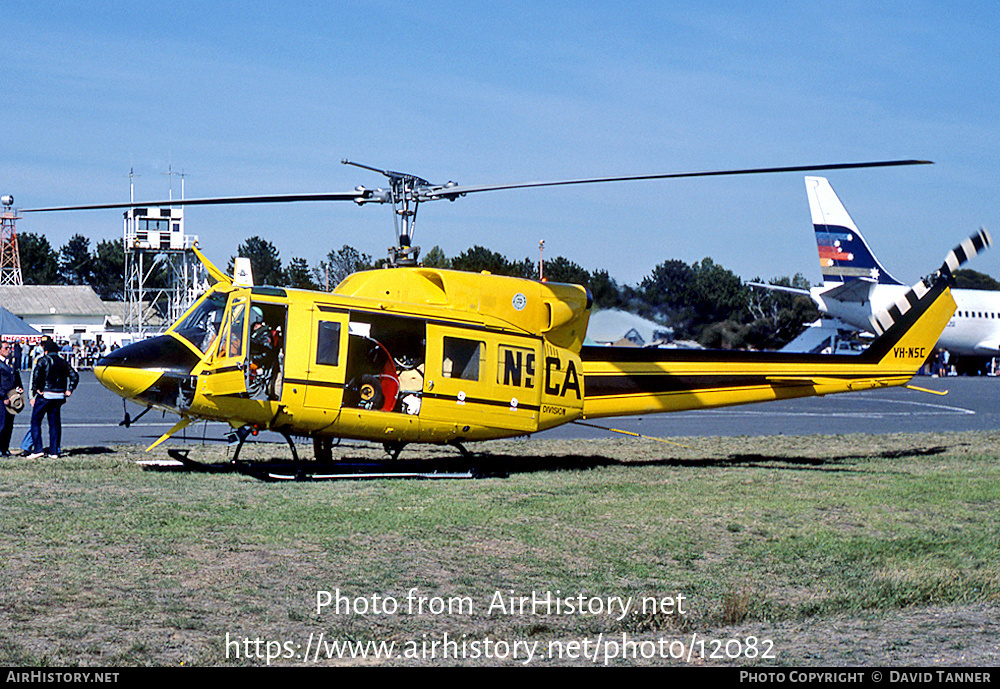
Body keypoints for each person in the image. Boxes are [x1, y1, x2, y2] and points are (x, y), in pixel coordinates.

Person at [26, 339, 79, 459]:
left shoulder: (43, 360)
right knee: (54, 423)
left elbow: (37, 375)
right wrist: (69, 389)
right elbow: (74, 376)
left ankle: (38, 449)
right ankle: (54, 451)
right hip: (58, 395)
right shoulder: (63, 361)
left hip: (45, 395)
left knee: (36, 421)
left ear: (46, 350)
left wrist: (37, 389)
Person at [0, 341, 24, 456]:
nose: (9, 350)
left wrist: (19, 388)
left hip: (12, 398)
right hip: (2, 399)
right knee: (1, 424)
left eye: (9, 348)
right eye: (6, 348)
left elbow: (16, 377)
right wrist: (3, 396)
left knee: (9, 425)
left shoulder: (10, 363)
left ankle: (5, 448)